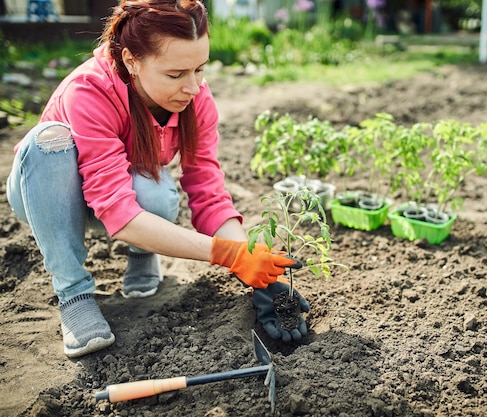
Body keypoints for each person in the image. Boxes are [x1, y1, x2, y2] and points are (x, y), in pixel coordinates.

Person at [6, 0, 310, 359]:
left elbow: (208, 192)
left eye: (200, 69)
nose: (194, 87)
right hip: (49, 195)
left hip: (116, 195)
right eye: (176, 74)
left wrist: (252, 268)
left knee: (158, 190)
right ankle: (73, 293)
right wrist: (226, 255)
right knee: (47, 142)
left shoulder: (196, 97)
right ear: (132, 60)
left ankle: (144, 253)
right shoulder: (89, 90)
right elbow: (118, 213)